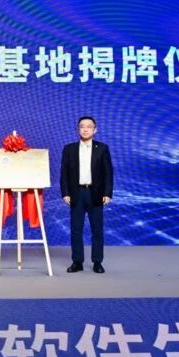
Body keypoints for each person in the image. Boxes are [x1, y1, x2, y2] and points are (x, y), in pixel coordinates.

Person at [60, 116, 114, 273]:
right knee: (76, 229)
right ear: (78, 129)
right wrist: (65, 193)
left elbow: (108, 173)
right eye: (82, 126)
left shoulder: (102, 148)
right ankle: (77, 262)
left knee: (97, 229)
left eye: (89, 126)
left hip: (95, 193)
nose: (85, 129)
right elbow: (64, 174)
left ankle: (97, 262)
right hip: (76, 193)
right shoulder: (69, 149)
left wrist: (107, 193)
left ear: (95, 130)